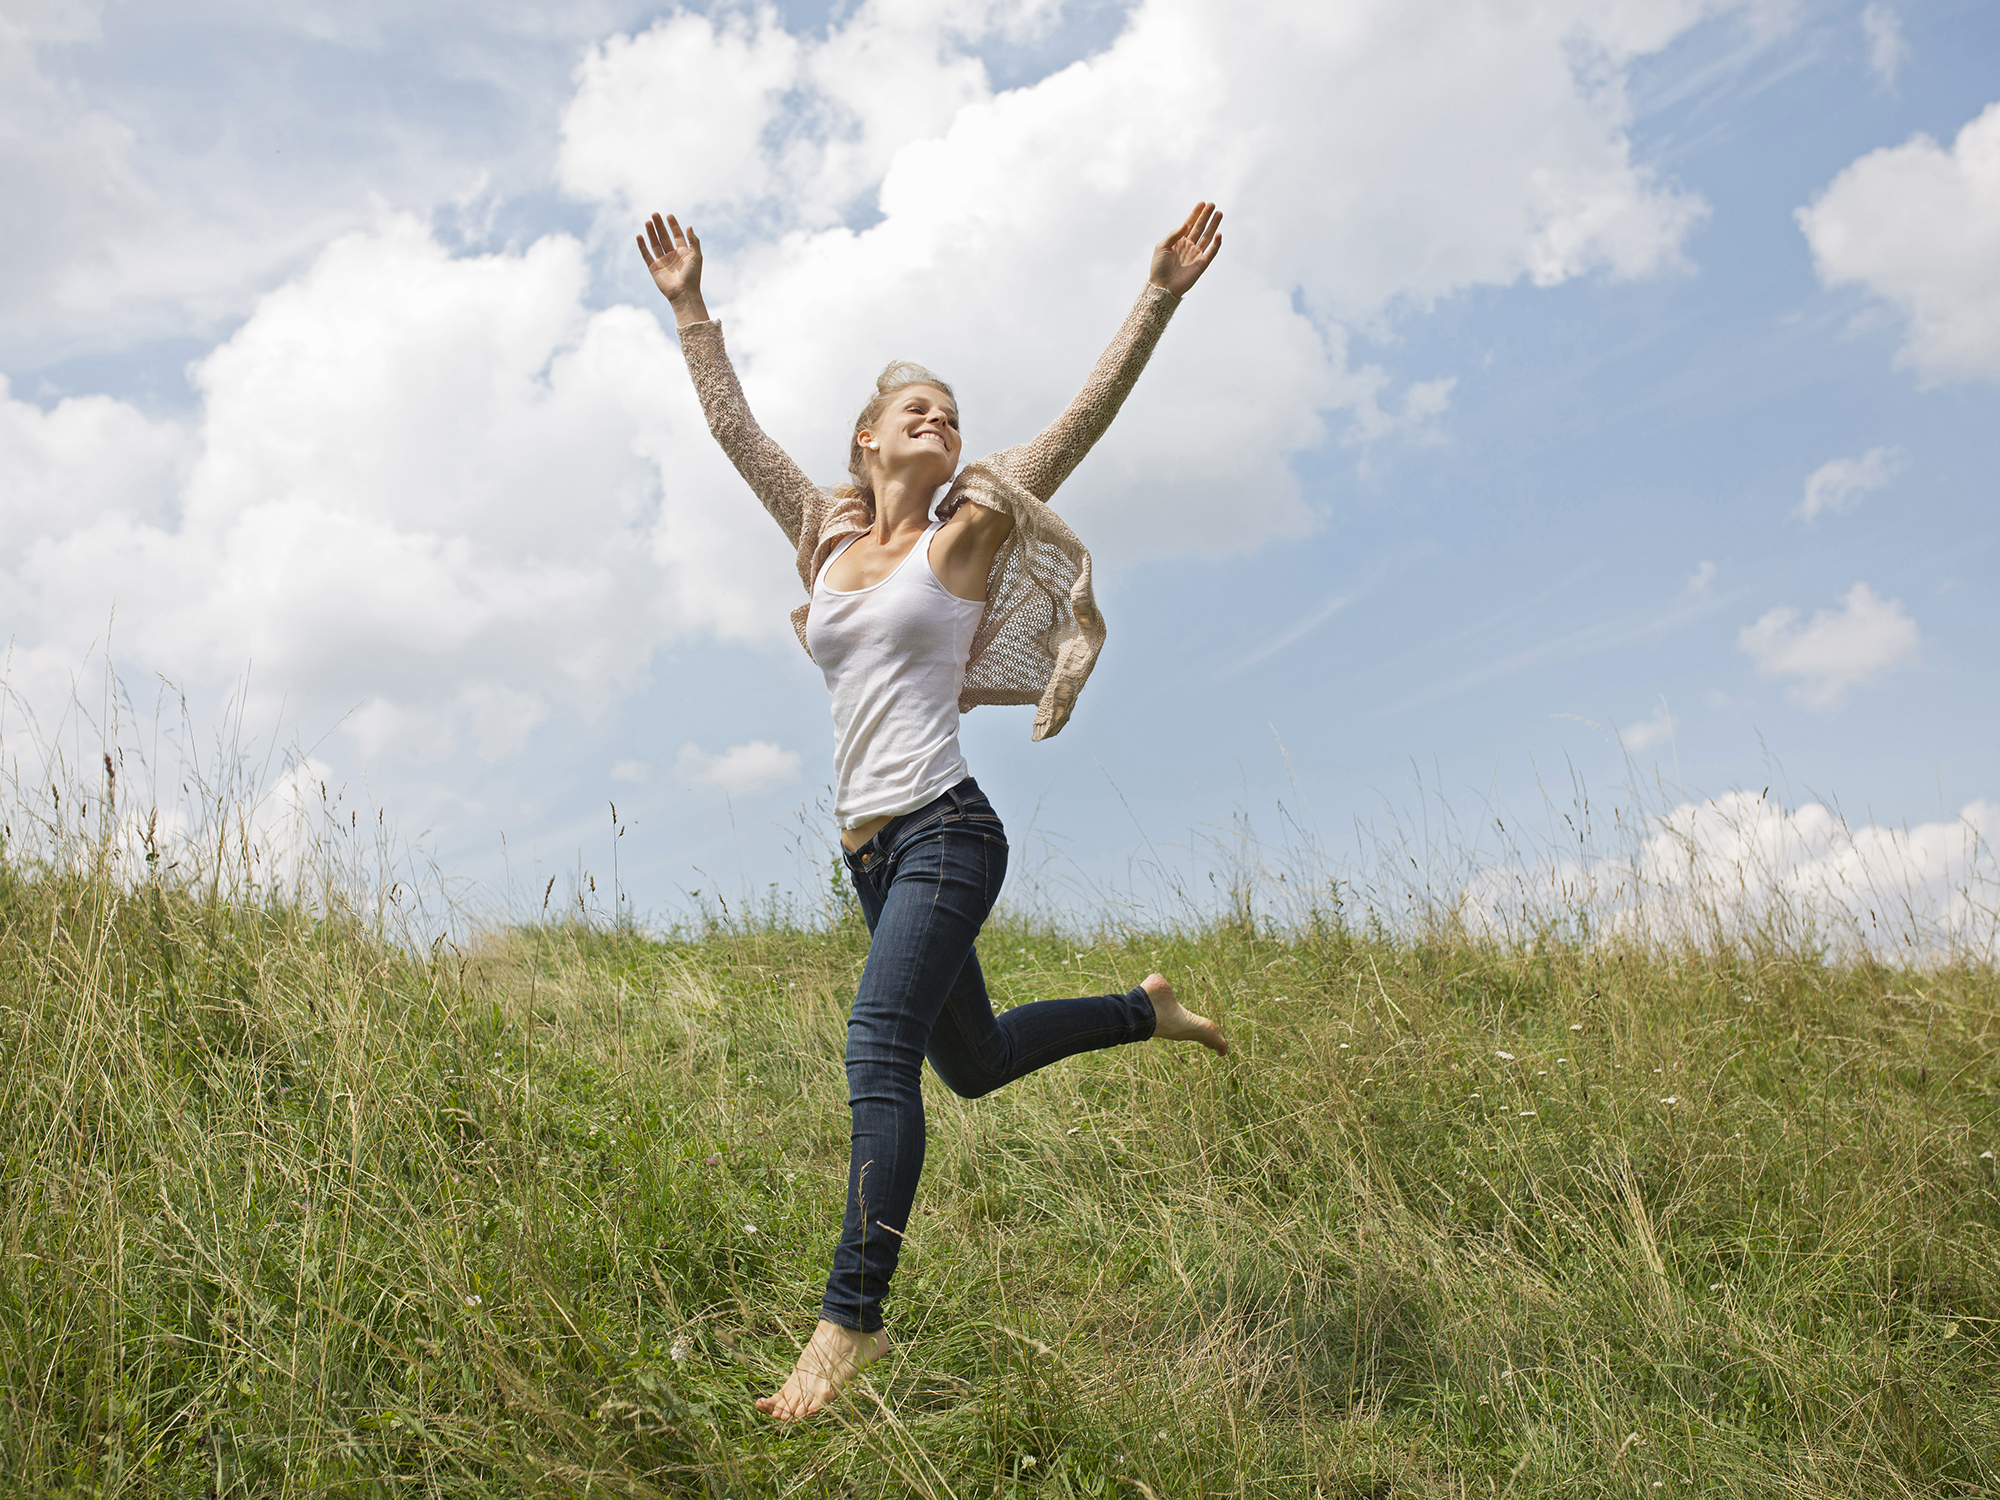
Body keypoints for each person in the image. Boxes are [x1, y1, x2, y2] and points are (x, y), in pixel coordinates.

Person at [638, 202, 1230, 1421]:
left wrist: (1157, 293)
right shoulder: (826, 535)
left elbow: (1082, 417)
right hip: (866, 855)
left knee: (876, 1049)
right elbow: (733, 431)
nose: (941, 424)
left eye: (950, 414)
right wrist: (692, 307)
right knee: (971, 1061)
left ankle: (846, 1327)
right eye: (917, 410)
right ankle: (1144, 1009)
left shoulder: (971, 527)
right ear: (865, 441)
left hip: (947, 830)